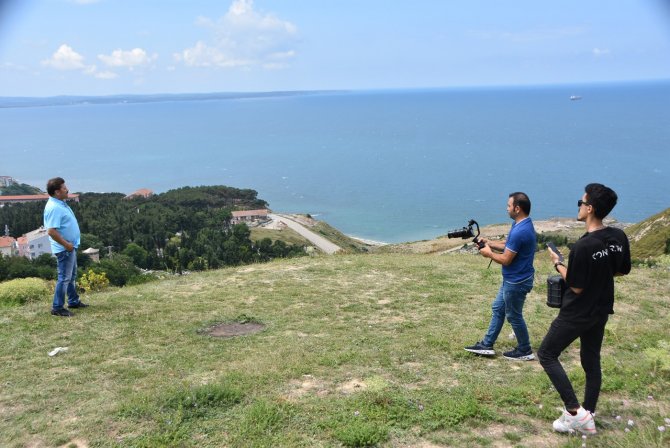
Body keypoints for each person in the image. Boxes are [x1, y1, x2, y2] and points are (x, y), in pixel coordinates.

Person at [539, 183, 631, 435]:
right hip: (601, 309)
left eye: (580, 203)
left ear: (589, 208)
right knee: (591, 361)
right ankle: (589, 414)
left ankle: (575, 412)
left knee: (547, 353)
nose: (578, 207)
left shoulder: (583, 246)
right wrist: (598, 274)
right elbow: (621, 270)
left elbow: (577, 287)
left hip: (576, 312)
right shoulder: (618, 237)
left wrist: (558, 264)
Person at [464, 192, 537, 360]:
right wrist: (489, 243)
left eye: (508, 206)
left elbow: (506, 259)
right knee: (498, 308)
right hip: (513, 279)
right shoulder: (520, 224)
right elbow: (508, 245)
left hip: (517, 281)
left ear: (517, 208)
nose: (506, 209)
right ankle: (487, 344)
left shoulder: (521, 230)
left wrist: (488, 254)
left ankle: (525, 350)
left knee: (514, 315)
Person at [44, 177, 88, 316]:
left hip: (70, 247)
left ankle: (73, 301)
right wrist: (67, 245)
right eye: (64, 188)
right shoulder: (54, 207)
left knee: (71, 276)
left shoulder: (60, 203)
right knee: (64, 278)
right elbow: (51, 231)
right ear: (57, 192)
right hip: (65, 249)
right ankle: (57, 307)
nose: (67, 189)